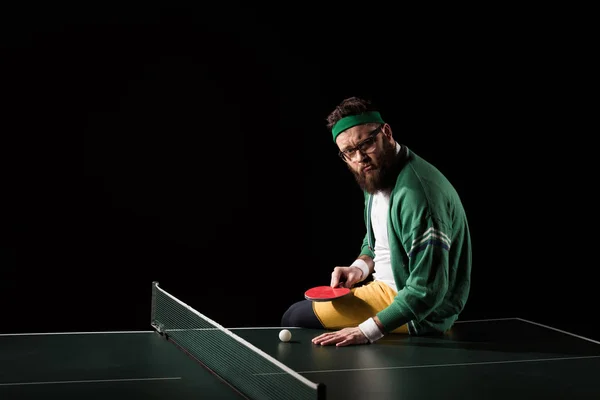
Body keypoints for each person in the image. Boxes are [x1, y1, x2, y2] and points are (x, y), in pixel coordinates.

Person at [281, 96, 472, 346]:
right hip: (387, 288)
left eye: (366, 144)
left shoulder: (418, 196)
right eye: (349, 152)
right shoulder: (377, 175)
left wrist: (367, 331)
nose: (359, 158)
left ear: (386, 133)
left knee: (295, 316)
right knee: (301, 312)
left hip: (421, 312)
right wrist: (358, 268)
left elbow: (427, 291)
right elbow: (376, 238)